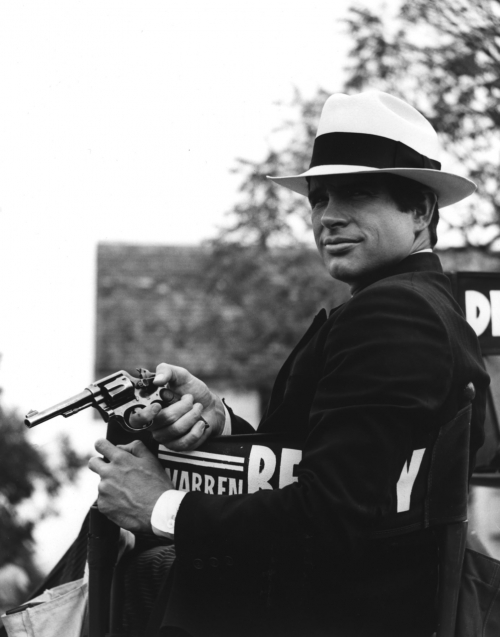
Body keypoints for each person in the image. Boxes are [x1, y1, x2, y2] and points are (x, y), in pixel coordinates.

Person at [89, 91, 490, 637]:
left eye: (357, 193)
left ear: (420, 210)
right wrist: (221, 423)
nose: (329, 217)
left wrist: (162, 506)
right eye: (319, 198)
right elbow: (333, 465)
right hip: (346, 603)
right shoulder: (418, 304)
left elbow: (331, 517)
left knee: (142, 573)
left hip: (332, 614)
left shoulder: (394, 314)